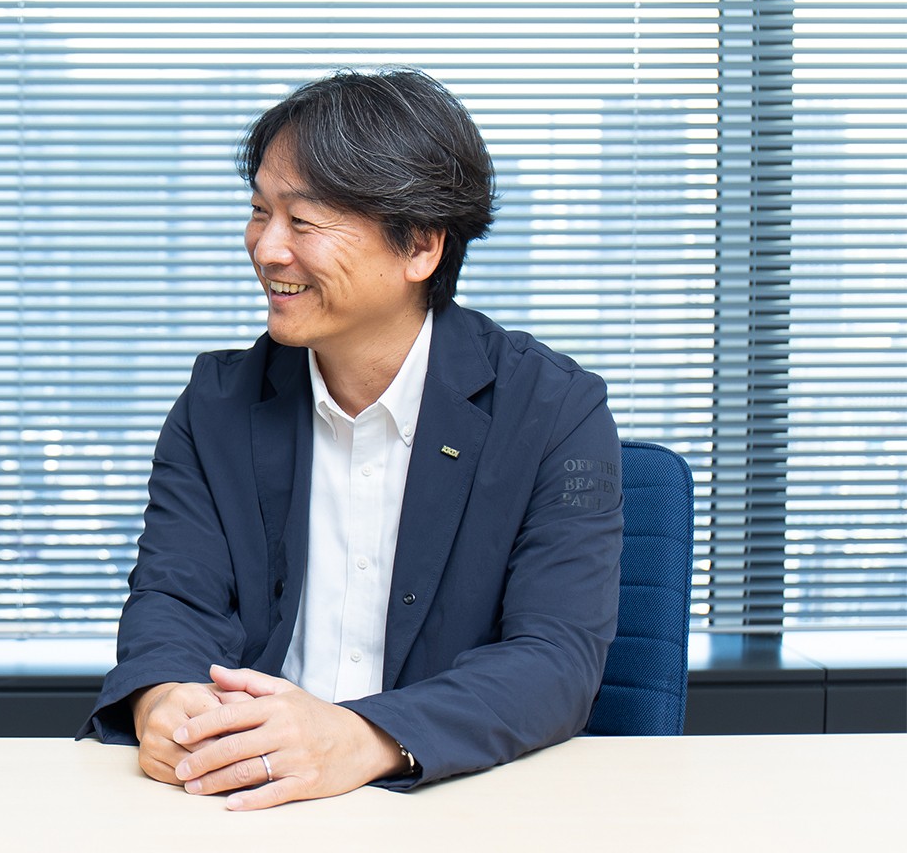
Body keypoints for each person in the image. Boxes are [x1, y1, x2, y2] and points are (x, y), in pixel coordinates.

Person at [81, 69, 623, 808]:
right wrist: (163, 698)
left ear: (421, 248)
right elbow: (173, 601)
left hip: (454, 808)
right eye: (258, 213)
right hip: (242, 808)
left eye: (302, 223)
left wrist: (361, 739)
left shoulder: (552, 409)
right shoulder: (218, 405)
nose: (268, 251)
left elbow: (554, 659)